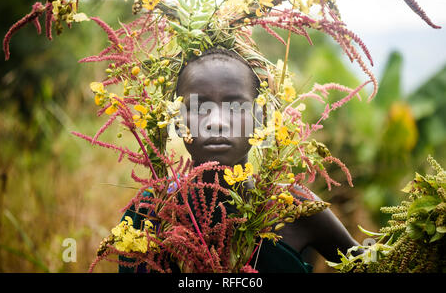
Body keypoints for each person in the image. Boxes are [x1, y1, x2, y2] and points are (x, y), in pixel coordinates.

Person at [120, 47, 360, 273]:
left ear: (261, 118)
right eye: (199, 106)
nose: (217, 121)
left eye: (235, 107)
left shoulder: (294, 209)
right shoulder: (149, 214)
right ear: (176, 121)